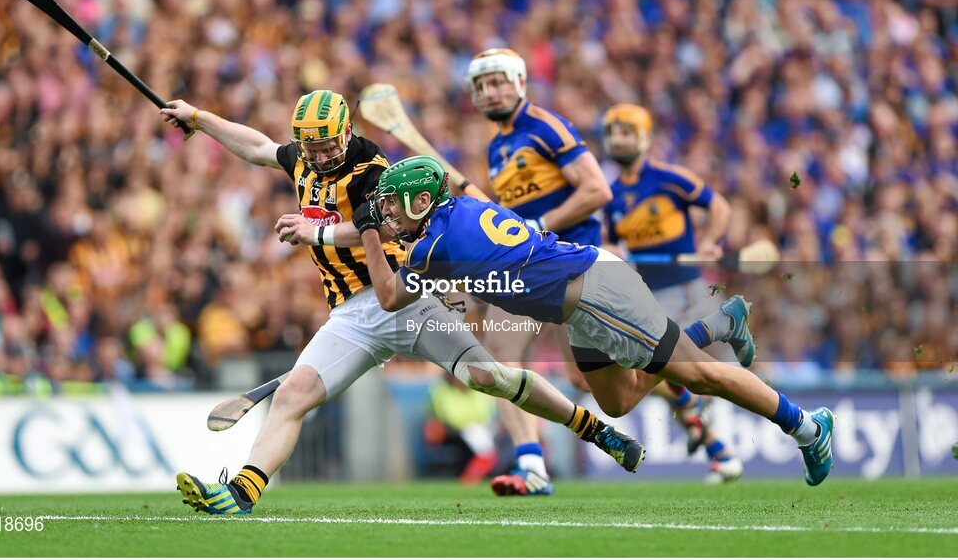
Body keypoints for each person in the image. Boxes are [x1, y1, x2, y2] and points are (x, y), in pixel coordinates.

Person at [160, 91, 645, 515]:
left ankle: (593, 429)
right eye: (312, 144)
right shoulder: (302, 159)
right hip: (350, 316)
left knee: (488, 377)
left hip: (407, 297)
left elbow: (380, 227)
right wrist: (201, 118)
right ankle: (241, 493)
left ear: (346, 133)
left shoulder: (372, 170)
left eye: (329, 142)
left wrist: (319, 232)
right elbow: (258, 146)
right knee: (292, 396)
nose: (322, 153)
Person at [351, 155, 836, 488]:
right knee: (617, 399)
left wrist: (369, 229)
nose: (388, 212)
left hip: (595, 292)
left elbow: (390, 295)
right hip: (579, 301)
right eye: (385, 207)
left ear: (420, 201)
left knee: (699, 375)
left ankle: (808, 428)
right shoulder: (458, 212)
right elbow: (464, 222)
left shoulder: (437, 245)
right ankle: (715, 326)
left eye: (394, 202)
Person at [466, 48, 724, 494]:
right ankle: (532, 466)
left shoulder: (544, 127)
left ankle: (684, 389)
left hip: (572, 261)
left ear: (521, 82)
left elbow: (596, 189)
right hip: (525, 264)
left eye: (499, 81)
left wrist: (541, 225)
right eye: (482, 85)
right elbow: (514, 213)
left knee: (590, 379)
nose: (491, 92)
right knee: (496, 357)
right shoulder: (497, 146)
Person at [601, 103, 743, 483]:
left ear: (645, 139)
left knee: (657, 363)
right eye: (612, 132)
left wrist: (711, 241)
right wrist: (610, 250)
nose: (618, 139)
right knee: (656, 367)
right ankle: (716, 445)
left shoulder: (671, 179)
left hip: (685, 288)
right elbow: (610, 245)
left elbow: (719, 207)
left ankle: (701, 419)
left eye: (627, 132)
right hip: (648, 293)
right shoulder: (610, 195)